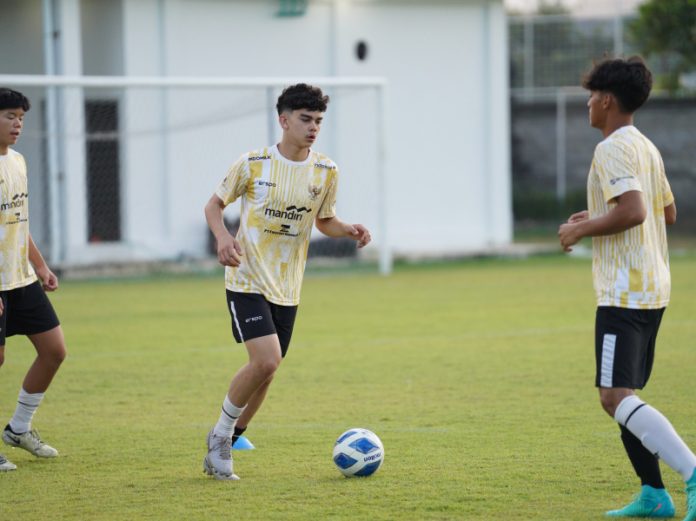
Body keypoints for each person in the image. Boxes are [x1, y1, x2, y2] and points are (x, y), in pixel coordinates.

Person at [202, 83, 371, 480]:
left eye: (318, 121)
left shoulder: (326, 170)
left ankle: (235, 431)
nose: (313, 127)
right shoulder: (253, 163)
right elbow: (214, 205)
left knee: (268, 370)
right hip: (245, 279)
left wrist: (349, 230)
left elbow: (324, 219)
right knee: (267, 359)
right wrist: (223, 237)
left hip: (288, 285)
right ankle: (220, 438)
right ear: (284, 120)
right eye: (305, 119)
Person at [558, 57, 696, 520]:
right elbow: (667, 213)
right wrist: (593, 216)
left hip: (626, 291)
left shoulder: (612, 148)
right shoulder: (646, 147)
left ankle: (691, 474)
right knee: (624, 396)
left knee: (615, 397)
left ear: (607, 100)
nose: (589, 106)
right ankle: (653, 496)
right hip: (653, 285)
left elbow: (636, 211)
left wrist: (580, 232)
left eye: (591, 97)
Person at [0, 88, 67, 472]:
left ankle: (18, 428)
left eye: (21, 118)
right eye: (10, 116)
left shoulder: (19, 162)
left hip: (20, 278)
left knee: (54, 350)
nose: (18, 124)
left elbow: (17, 224)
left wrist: (40, 266)